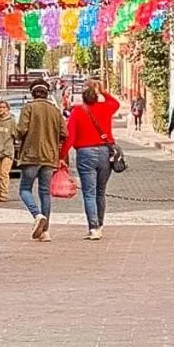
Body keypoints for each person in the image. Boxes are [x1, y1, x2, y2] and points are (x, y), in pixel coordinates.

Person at [62, 80, 120, 239]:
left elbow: (70, 137)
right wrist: (102, 91)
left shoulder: (77, 111)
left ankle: (93, 228)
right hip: (105, 152)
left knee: (89, 193)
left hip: (85, 153)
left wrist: (62, 156)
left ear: (83, 98)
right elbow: (115, 103)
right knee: (100, 192)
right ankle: (100, 225)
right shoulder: (106, 108)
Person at [17, 81, 65, 240]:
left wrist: (16, 137)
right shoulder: (55, 111)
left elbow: (22, 130)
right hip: (50, 157)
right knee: (45, 192)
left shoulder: (28, 108)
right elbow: (64, 134)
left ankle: (37, 214)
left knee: (24, 189)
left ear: (32, 93)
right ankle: (45, 232)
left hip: (31, 155)